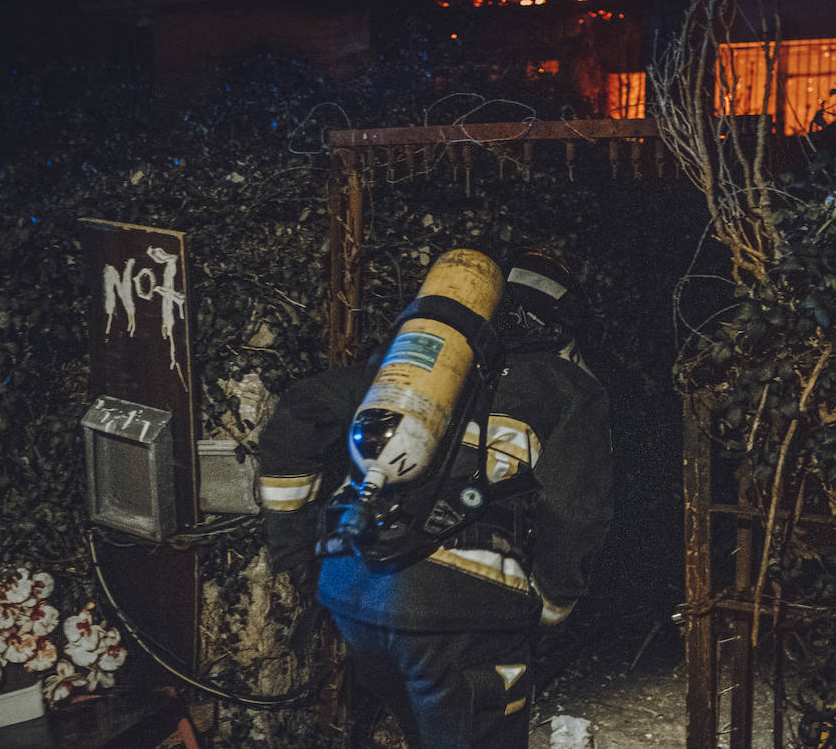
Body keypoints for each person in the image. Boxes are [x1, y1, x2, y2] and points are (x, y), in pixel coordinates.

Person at [258, 248, 613, 748]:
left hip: (349, 591)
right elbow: (577, 511)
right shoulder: (569, 388)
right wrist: (551, 607)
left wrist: (297, 550)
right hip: (461, 618)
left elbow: (298, 415)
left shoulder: (408, 367)